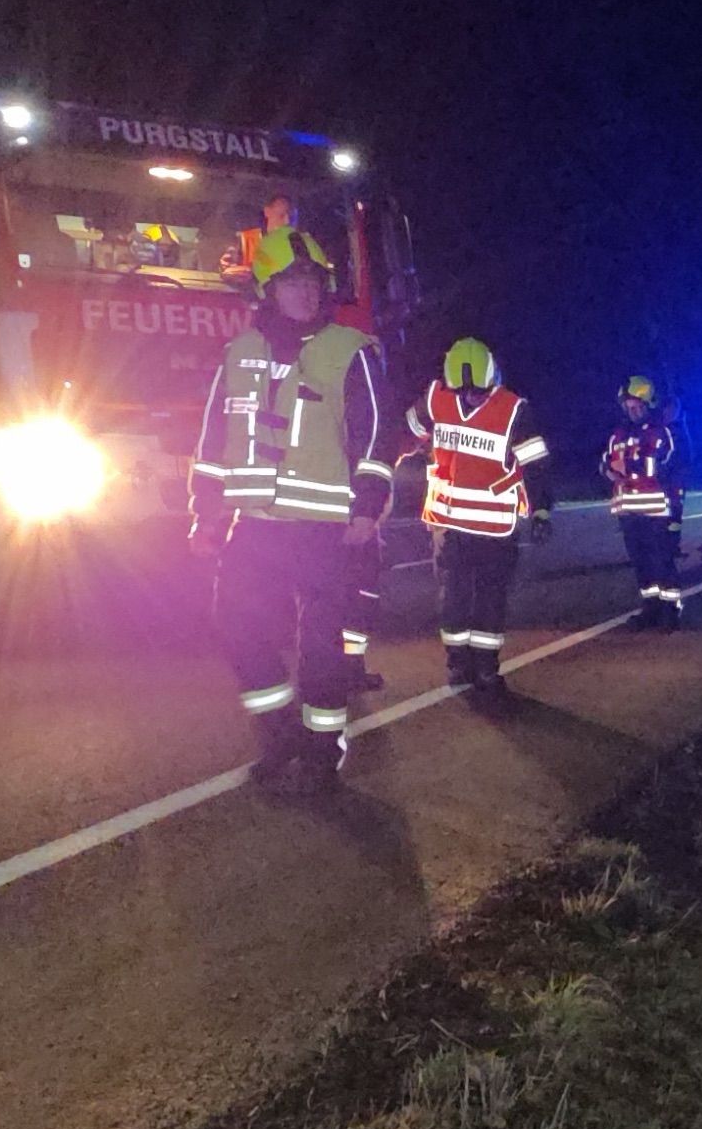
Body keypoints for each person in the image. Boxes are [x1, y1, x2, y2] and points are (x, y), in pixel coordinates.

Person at [189, 229, 394, 791]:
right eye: (291, 282)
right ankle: (280, 734)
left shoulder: (349, 351)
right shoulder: (238, 354)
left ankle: (323, 753)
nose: (305, 292)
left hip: (326, 530)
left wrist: (366, 508)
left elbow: (375, 436)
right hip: (255, 527)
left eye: (313, 281)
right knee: (235, 625)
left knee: (321, 648)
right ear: (266, 289)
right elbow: (214, 439)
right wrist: (206, 513)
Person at [407, 336, 550, 693]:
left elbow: (536, 466)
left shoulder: (513, 409)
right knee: (455, 598)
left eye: (480, 391)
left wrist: (543, 508)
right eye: (466, 391)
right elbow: (405, 435)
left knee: (488, 599)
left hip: (491, 528)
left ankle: (485, 668)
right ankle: (459, 665)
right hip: (454, 525)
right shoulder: (436, 399)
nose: (474, 396)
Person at [601, 374, 682, 626]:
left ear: (648, 405)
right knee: (641, 563)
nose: (633, 411)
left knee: (661, 561)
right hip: (628, 511)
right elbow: (605, 461)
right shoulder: (619, 434)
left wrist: (624, 465)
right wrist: (609, 468)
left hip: (655, 511)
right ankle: (650, 608)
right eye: (629, 407)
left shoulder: (660, 432)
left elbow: (658, 464)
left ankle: (670, 610)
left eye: (637, 406)